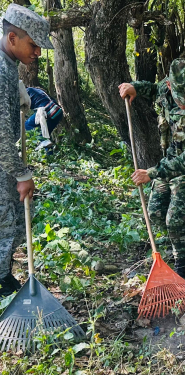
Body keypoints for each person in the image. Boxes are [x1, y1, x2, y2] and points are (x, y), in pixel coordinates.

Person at [118, 58, 185, 280]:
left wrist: (151, 173)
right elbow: (154, 89)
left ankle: (182, 272)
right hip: (169, 161)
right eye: (179, 97)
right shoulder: (166, 87)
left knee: (174, 220)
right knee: (155, 213)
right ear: (171, 86)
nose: (184, 103)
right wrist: (135, 87)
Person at [0, 4, 53, 296]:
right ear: (12, 39)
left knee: (12, 221)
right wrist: (22, 173)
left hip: (4, 159)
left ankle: (3, 275)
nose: (37, 53)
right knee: (8, 222)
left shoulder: (7, 66)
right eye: (33, 45)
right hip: (3, 158)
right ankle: (2, 284)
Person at [24, 86, 63, 154]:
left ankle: (43, 142)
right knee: (45, 135)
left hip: (47, 110)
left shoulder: (25, 92)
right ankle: (49, 156)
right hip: (57, 112)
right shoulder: (39, 91)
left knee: (26, 125)